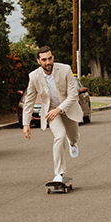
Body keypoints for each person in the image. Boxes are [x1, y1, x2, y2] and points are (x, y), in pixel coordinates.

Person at [20, 47, 83, 184]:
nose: (48, 62)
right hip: (51, 111)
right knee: (59, 136)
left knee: (73, 136)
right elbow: (29, 101)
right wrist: (26, 124)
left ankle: (72, 143)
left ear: (53, 57)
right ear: (38, 61)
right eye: (44, 59)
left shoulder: (65, 69)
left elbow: (73, 95)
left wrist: (59, 109)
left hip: (68, 108)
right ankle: (58, 174)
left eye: (49, 58)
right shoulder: (34, 76)